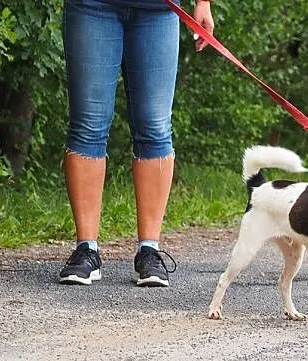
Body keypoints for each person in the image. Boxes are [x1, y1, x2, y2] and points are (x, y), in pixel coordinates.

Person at [58, 0, 214, 286]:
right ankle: (86, 250)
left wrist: (202, 2)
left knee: (155, 127)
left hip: (159, 10)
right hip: (92, 6)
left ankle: (149, 251)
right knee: (88, 124)